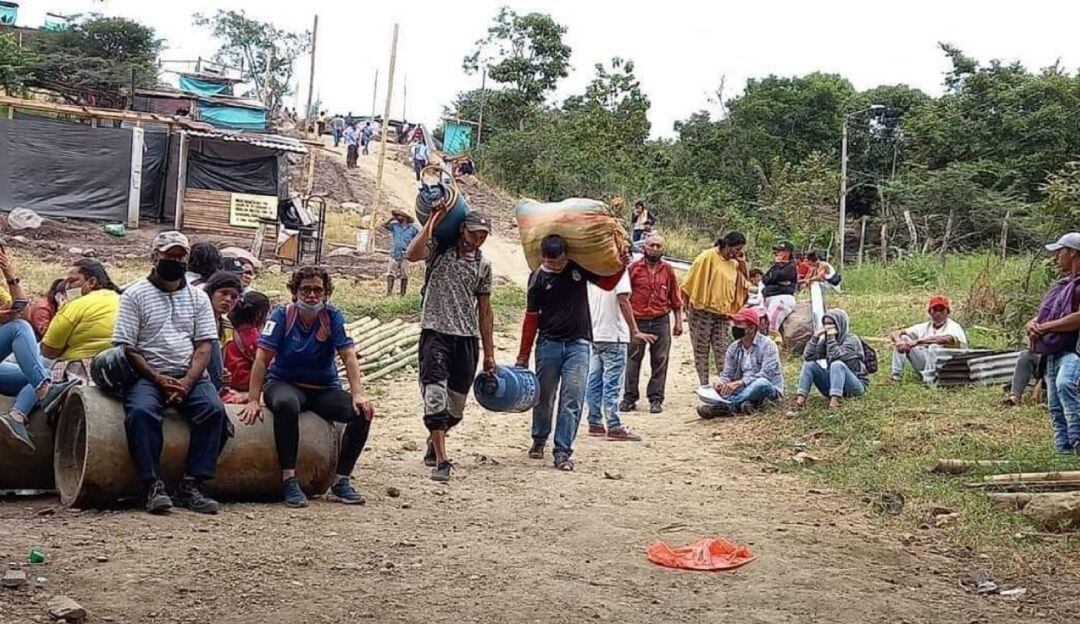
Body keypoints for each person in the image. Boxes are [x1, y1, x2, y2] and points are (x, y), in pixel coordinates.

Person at [113, 231, 229, 514]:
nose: (175, 261)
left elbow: (204, 346)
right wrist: (158, 379)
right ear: (154, 257)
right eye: (169, 256)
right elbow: (128, 347)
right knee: (141, 413)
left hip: (188, 374)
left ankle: (192, 485)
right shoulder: (134, 295)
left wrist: (187, 382)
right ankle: (152, 485)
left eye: (180, 256)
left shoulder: (199, 299)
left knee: (215, 412)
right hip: (147, 375)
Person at [240, 266, 375, 507]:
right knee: (286, 405)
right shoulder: (282, 316)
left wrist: (358, 394)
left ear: (326, 293)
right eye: (305, 290)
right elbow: (262, 359)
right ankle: (289, 479)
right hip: (284, 383)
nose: (312, 296)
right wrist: (253, 399)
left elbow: (349, 356)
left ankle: (341, 480)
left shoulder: (332, 316)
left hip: (323, 388)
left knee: (361, 413)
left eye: (317, 290)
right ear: (295, 291)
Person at [516, 235, 627, 471]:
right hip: (548, 344)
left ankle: (563, 451)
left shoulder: (578, 269)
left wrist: (621, 264)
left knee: (573, 398)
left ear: (565, 256)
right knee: (544, 396)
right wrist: (523, 355)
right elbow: (531, 318)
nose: (552, 266)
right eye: (547, 262)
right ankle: (539, 439)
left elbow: (606, 284)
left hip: (579, 344)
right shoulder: (537, 278)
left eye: (556, 262)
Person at [404, 209, 495, 482]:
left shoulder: (483, 265)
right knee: (434, 396)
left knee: (455, 408)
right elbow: (411, 254)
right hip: (435, 333)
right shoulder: (439, 252)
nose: (477, 240)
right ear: (461, 230)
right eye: (473, 233)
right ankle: (442, 460)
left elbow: (485, 310)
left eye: (483, 236)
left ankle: (435, 441)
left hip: (466, 339)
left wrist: (489, 354)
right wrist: (432, 222)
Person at [0, 255, 91, 452]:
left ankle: (16, 417)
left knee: (44, 373)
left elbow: (23, 312)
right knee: (19, 329)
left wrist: (10, 277)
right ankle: (44, 390)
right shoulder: (45, 307)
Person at [584, 268, 653, 441]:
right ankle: (614, 425)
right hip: (613, 334)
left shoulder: (592, 272)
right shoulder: (618, 272)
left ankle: (594, 422)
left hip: (595, 333)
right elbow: (623, 300)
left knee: (594, 380)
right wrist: (635, 330)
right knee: (612, 384)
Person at [1028, 232, 1080, 453]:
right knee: (1055, 405)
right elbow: (1043, 316)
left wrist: (1046, 327)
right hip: (1052, 350)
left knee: (1065, 384)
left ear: (1073, 252)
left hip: (1073, 349)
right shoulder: (1061, 285)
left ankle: (1077, 440)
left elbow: (1078, 317)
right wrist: (1032, 324)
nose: (1056, 257)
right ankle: (1063, 454)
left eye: (1060, 251)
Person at [622, 234, 683, 414]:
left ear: (662, 249)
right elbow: (624, 296)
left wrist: (678, 322)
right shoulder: (633, 269)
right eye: (651, 245)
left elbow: (675, 298)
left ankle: (656, 399)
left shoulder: (668, 270)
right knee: (633, 359)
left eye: (658, 246)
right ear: (644, 248)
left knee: (660, 360)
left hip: (660, 320)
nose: (655, 249)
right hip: (638, 320)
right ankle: (629, 397)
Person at [681, 231, 749, 387]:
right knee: (701, 349)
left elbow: (744, 283)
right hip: (702, 311)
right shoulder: (708, 257)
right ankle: (704, 384)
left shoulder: (734, 263)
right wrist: (685, 309)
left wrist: (743, 263)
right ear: (727, 245)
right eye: (737, 249)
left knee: (722, 349)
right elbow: (688, 283)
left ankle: (724, 384)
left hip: (723, 314)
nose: (739, 253)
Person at [697, 307, 783, 418]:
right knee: (718, 390)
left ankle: (727, 407)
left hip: (766, 388)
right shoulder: (733, 348)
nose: (735, 328)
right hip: (742, 390)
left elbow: (766, 374)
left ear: (752, 328)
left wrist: (740, 383)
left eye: (739, 325)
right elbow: (727, 374)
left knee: (762, 384)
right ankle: (745, 404)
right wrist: (721, 383)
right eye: (735, 324)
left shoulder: (768, 345)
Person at [792, 309, 867, 412]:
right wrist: (815, 337)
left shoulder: (852, 340)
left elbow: (837, 356)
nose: (828, 327)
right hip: (832, 385)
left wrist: (831, 337)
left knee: (837, 364)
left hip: (855, 385)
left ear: (840, 324)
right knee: (809, 364)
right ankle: (800, 401)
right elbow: (808, 356)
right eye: (826, 324)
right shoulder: (826, 341)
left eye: (831, 324)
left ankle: (834, 403)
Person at [888, 295, 969, 383]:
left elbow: (946, 339)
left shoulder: (954, 327)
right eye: (935, 310)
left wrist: (917, 342)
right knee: (903, 339)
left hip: (949, 368)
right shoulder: (924, 327)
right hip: (927, 365)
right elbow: (895, 333)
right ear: (930, 312)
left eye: (941, 310)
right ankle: (896, 377)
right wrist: (899, 341)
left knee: (934, 347)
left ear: (947, 312)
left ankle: (930, 380)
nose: (938, 313)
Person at [223, 291, 271, 399]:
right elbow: (266, 362)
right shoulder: (253, 336)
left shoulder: (228, 327)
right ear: (259, 314)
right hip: (245, 380)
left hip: (230, 378)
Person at [203, 271, 243, 394]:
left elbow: (221, 360)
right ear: (211, 293)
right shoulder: (196, 321)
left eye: (233, 297)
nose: (228, 299)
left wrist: (223, 374)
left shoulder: (226, 326)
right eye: (224, 293)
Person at [762, 241, 798, 338]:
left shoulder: (790, 267)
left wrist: (774, 277)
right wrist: (774, 278)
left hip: (782, 298)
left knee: (771, 325)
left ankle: (775, 347)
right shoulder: (775, 266)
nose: (777, 253)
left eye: (780, 251)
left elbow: (780, 276)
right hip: (770, 297)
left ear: (787, 253)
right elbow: (765, 279)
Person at [383, 210, 419, 296]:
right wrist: (391, 219)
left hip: (405, 255)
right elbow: (383, 225)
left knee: (404, 275)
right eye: (397, 216)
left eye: (400, 216)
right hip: (394, 253)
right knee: (391, 274)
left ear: (405, 218)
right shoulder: (395, 226)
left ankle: (402, 294)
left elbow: (418, 239)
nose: (398, 217)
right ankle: (389, 293)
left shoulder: (412, 229)